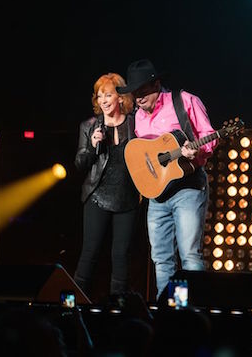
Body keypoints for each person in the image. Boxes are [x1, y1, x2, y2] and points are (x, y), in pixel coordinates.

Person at [116, 59, 218, 299]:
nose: (138, 98)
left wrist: (198, 151)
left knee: (189, 255)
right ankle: (169, 310)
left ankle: (196, 309)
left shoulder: (184, 101)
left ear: (156, 85)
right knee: (161, 258)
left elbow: (209, 136)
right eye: (135, 94)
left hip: (188, 188)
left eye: (142, 92)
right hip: (158, 193)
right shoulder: (138, 116)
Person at [74, 72, 140, 298]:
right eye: (100, 96)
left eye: (108, 95)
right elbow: (80, 164)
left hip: (127, 198)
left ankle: (118, 307)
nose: (103, 100)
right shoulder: (89, 126)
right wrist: (92, 146)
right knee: (90, 252)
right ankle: (73, 305)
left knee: (120, 255)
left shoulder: (135, 124)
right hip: (97, 197)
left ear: (120, 98)